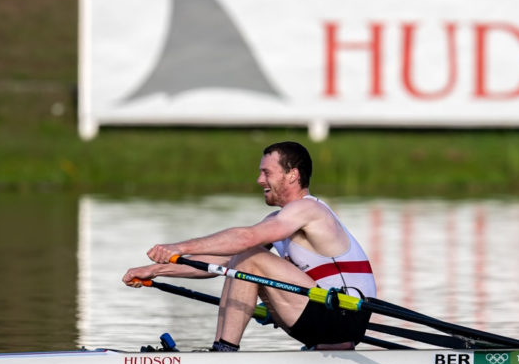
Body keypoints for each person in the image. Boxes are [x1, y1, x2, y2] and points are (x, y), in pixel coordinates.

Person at [122, 141, 376, 351]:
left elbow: (245, 240)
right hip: (326, 316)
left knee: (250, 257)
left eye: (267, 172)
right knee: (243, 258)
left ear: (292, 175)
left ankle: (224, 351)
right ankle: (226, 351)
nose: (259, 180)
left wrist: (179, 247)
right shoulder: (279, 221)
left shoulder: (308, 209)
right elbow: (218, 265)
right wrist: (155, 270)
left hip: (344, 315)